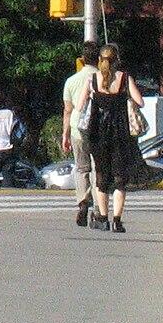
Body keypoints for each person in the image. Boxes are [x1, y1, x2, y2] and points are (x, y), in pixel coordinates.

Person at [85, 44, 147, 233]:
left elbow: (81, 106)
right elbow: (140, 102)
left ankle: (102, 218)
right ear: (117, 59)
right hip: (121, 133)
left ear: (100, 60)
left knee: (101, 177)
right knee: (120, 178)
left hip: (98, 134)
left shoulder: (92, 80)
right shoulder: (124, 78)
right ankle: (117, 221)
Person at [61, 43, 98, 226]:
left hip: (78, 128)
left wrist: (65, 135)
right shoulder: (102, 78)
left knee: (82, 167)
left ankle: (83, 202)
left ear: (82, 59)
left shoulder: (71, 81)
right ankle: (99, 206)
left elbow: (68, 110)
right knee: (97, 167)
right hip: (99, 128)